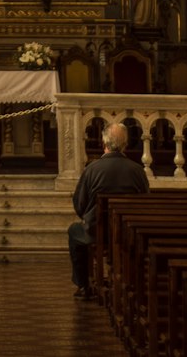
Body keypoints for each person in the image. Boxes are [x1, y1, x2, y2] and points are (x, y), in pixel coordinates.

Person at [68, 121, 148, 298]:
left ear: (103, 144)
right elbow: (145, 202)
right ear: (125, 145)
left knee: (74, 231)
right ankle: (131, 282)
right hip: (129, 231)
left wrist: (89, 218)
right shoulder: (137, 171)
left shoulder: (92, 169)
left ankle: (83, 285)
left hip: (97, 232)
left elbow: (79, 205)